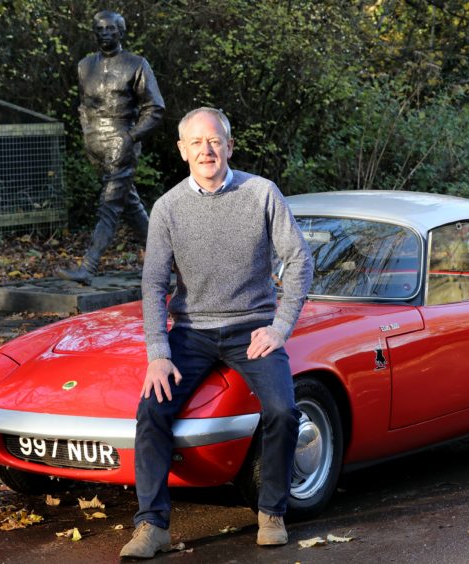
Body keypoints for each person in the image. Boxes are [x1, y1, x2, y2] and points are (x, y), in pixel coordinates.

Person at [120, 107, 313, 559]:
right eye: (197, 142)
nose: (206, 150)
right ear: (182, 151)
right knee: (152, 411)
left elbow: (300, 261)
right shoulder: (167, 208)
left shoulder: (261, 193)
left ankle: (271, 512)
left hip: (253, 328)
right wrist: (158, 351)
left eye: (215, 141)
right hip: (191, 331)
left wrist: (281, 327)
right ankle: (151, 526)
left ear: (229, 146)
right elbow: (153, 283)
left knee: (284, 411)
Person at [58, 10, 165, 285]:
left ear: (121, 32)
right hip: (95, 143)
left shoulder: (136, 64)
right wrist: (87, 134)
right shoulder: (84, 66)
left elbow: (155, 108)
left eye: (110, 29)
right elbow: (84, 106)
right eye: (100, 29)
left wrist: (130, 138)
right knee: (128, 203)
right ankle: (171, 260)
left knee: (109, 204)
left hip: (122, 141)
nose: (105, 34)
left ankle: (89, 266)